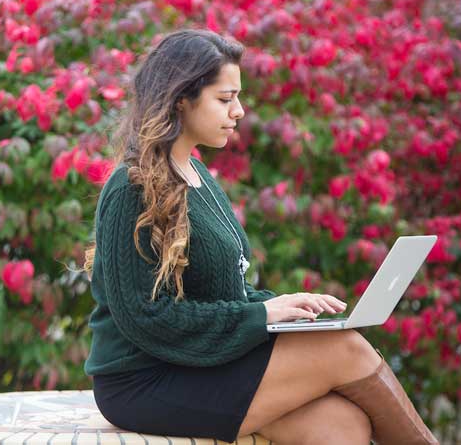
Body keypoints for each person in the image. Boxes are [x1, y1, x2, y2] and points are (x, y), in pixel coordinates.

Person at [77, 29, 438, 445]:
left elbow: (220, 292)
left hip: (200, 362)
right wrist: (261, 317)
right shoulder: (132, 187)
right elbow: (145, 317)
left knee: (341, 424)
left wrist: (279, 304)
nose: (239, 111)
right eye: (225, 98)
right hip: (143, 379)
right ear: (181, 100)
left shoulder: (199, 178)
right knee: (346, 347)